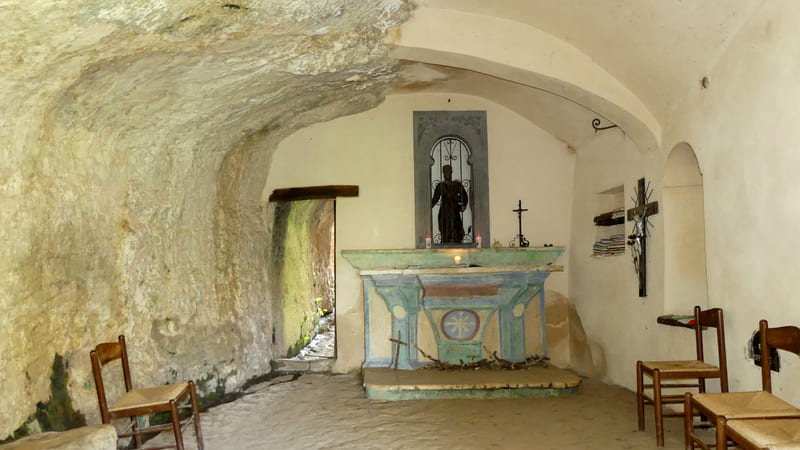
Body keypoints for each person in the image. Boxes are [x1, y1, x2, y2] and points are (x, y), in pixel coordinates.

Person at [431, 165, 469, 244]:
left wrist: (463, 205)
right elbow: (434, 199)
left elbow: (464, 196)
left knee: (456, 232)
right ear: (443, 173)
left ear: (451, 172)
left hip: (454, 212)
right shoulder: (441, 186)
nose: (447, 173)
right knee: (445, 232)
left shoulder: (457, 184)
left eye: (449, 171)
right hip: (444, 213)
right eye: (445, 171)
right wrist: (428, 207)